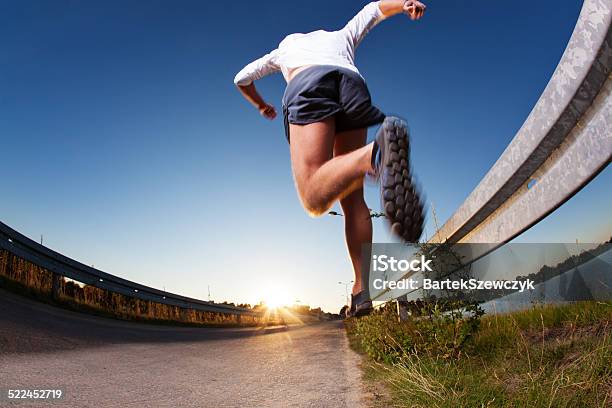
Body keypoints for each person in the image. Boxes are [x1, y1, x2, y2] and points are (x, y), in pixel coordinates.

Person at [234, 0, 426, 316]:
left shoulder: (283, 52)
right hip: (352, 84)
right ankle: (361, 290)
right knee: (351, 197)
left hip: (310, 85)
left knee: (313, 195)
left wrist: (260, 105)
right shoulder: (339, 37)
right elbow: (373, 10)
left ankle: (375, 154)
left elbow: (241, 78)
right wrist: (404, 5)